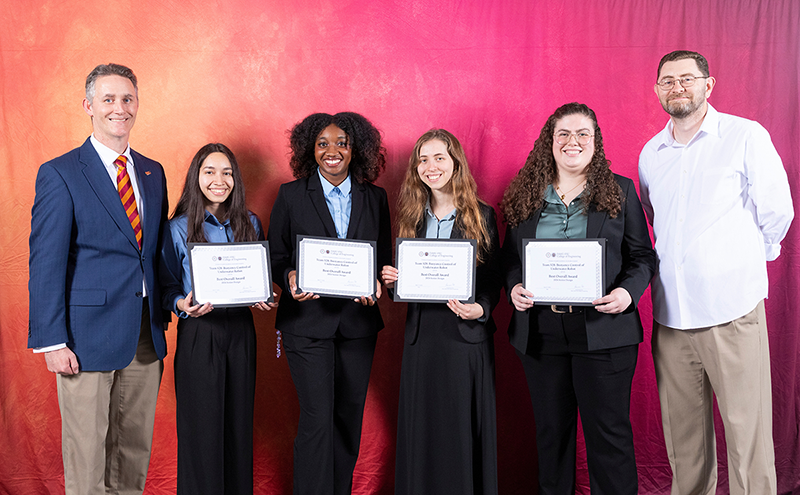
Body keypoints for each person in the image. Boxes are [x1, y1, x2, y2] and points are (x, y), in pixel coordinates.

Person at [639, 50, 794, 495]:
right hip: (672, 318)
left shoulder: (745, 136)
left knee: (748, 439)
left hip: (732, 312)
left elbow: (777, 213)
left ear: (709, 85)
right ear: (657, 91)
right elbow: (656, 219)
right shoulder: (652, 154)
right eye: (667, 81)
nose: (676, 87)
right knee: (684, 445)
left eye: (686, 78)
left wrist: (736, 265)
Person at [27, 63, 168, 495]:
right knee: (87, 456)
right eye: (108, 99)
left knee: (133, 454)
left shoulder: (152, 171)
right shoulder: (61, 172)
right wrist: (51, 341)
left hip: (145, 333)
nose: (119, 108)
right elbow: (45, 262)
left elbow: (157, 253)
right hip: (83, 338)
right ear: (89, 106)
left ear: (137, 105)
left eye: (127, 99)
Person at [501, 102, 656, 495]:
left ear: (595, 142)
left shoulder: (619, 190)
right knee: (552, 437)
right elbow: (510, 259)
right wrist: (515, 287)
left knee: (609, 437)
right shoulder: (526, 190)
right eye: (564, 134)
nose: (573, 142)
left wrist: (626, 293)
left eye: (583, 134)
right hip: (541, 333)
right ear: (549, 142)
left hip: (604, 331)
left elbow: (642, 256)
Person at [267, 112, 391, 495]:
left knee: (347, 418)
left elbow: (383, 256)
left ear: (357, 150)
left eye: (342, 143)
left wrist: (378, 283)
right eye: (323, 143)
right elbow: (276, 254)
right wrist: (289, 278)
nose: (332, 150)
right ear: (311, 149)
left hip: (358, 324)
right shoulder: (291, 194)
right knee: (318, 418)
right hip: (306, 324)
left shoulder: (375, 197)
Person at [381, 129, 501, 495]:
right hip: (422, 340)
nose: (431, 167)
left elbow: (494, 279)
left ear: (456, 163)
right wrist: (391, 280)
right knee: (423, 433)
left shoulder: (482, 215)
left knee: (460, 432)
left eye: (439, 158)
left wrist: (480, 308)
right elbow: (405, 283)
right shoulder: (410, 219)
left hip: (464, 339)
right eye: (423, 160)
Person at [159, 143, 277, 494]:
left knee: (238, 429)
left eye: (226, 172)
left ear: (235, 180)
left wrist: (265, 296)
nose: (219, 180)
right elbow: (167, 288)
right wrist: (182, 303)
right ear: (196, 177)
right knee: (201, 432)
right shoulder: (178, 228)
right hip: (199, 332)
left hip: (241, 332)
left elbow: (261, 279)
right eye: (209, 171)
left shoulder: (250, 222)